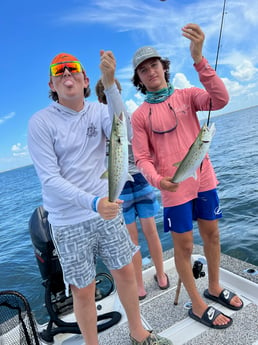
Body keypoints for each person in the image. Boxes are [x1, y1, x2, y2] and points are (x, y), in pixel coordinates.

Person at [27, 51, 172, 345]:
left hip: (107, 211)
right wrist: (94, 203)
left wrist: (110, 85)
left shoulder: (97, 111)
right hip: (69, 221)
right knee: (83, 290)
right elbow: (50, 180)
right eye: (59, 73)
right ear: (52, 85)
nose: (67, 75)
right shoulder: (40, 123)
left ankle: (138, 332)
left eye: (73, 70)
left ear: (85, 80)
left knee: (126, 272)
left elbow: (125, 130)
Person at [131, 23, 243, 329]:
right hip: (173, 189)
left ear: (163, 68)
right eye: (143, 70)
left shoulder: (188, 96)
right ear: (139, 79)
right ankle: (197, 304)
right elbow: (141, 157)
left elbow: (220, 100)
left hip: (204, 179)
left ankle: (214, 287)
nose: (150, 71)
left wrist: (198, 59)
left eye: (154, 64)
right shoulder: (140, 116)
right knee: (182, 248)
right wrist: (158, 181)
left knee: (213, 235)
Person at [95, 79, 169, 300]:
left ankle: (139, 286)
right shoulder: (129, 117)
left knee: (132, 238)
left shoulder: (101, 122)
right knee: (150, 232)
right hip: (140, 180)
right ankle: (161, 276)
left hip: (121, 184)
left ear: (100, 99)